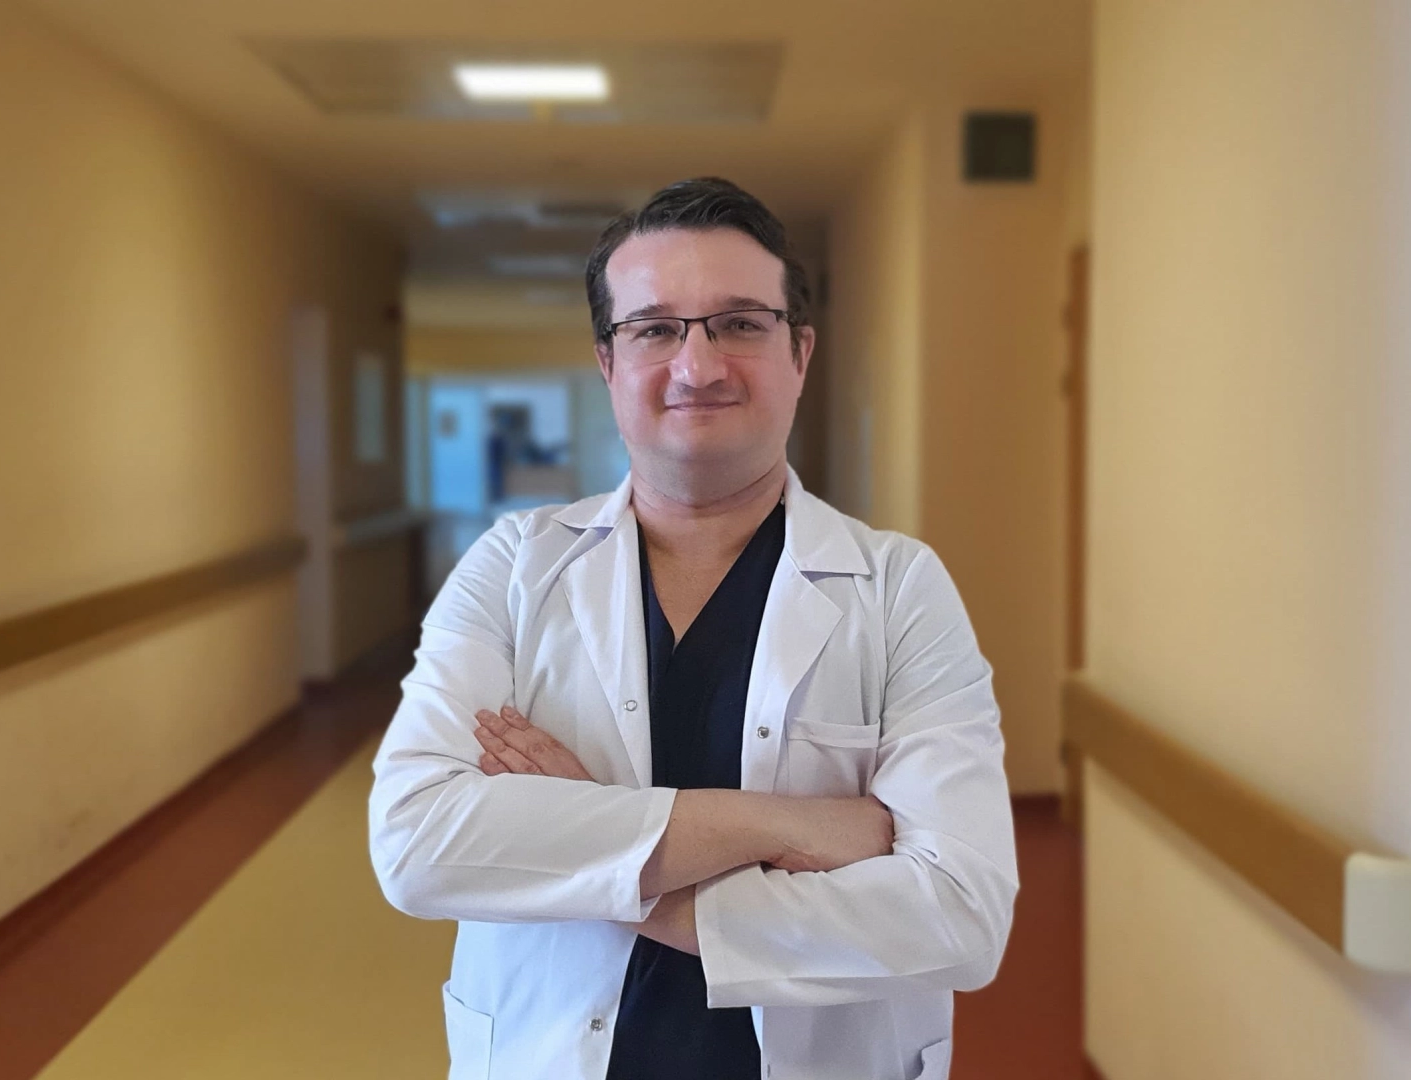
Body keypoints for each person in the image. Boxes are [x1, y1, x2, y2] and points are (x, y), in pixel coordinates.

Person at [369, 177, 1017, 1080]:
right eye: (655, 329)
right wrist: (784, 825)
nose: (698, 366)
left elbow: (962, 915)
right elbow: (417, 843)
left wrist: (609, 865)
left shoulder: (898, 587)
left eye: (740, 323)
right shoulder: (514, 567)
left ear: (800, 352)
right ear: (608, 362)